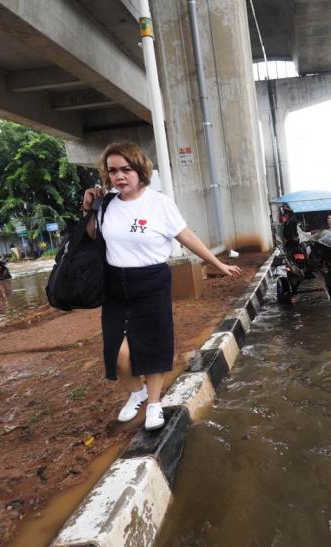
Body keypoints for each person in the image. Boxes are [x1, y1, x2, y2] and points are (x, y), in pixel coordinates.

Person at [82, 142, 241, 431]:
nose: (119, 176)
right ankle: (137, 393)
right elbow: (92, 236)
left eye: (126, 169)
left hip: (152, 282)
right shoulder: (106, 204)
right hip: (115, 287)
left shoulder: (159, 203)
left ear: (140, 170)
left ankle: (154, 402)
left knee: (153, 346)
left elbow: (186, 236)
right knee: (118, 355)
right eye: (113, 171)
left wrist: (216, 263)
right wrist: (90, 208)